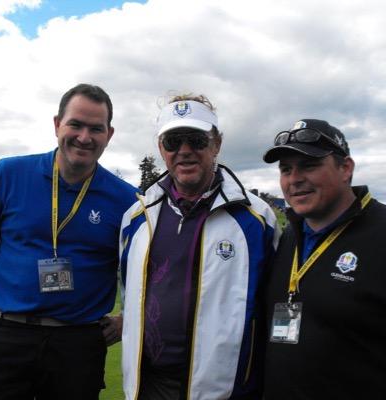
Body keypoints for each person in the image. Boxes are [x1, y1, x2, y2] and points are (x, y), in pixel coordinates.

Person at [119, 94, 279, 399]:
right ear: (160, 148)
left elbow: (274, 308)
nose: (185, 151)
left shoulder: (258, 219)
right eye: (173, 141)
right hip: (149, 384)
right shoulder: (136, 218)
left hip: (224, 390)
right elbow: (129, 294)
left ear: (216, 144)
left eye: (196, 140)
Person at [0, 83, 138, 400]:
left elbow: (145, 275)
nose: (84, 137)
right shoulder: (8, 174)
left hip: (78, 343)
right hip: (9, 333)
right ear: (57, 124)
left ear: (109, 135)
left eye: (96, 128)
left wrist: (127, 320)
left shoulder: (126, 199)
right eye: (76, 124)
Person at [262, 119, 386, 399]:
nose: (294, 179)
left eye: (309, 165)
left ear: (345, 168)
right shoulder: (289, 236)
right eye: (286, 169)